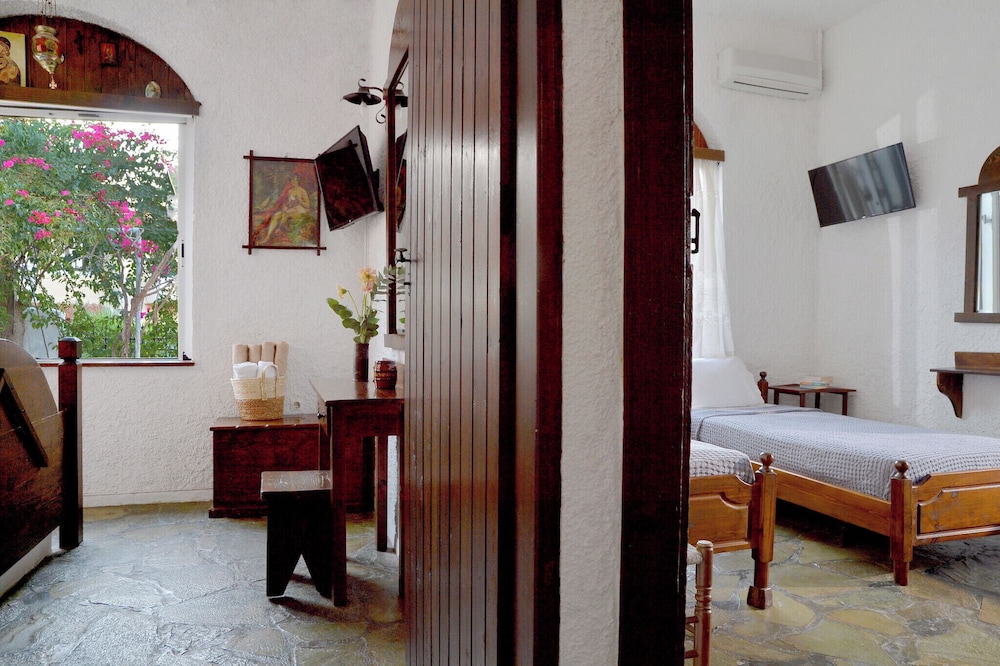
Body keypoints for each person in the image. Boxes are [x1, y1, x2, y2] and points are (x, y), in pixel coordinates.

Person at [257, 174, 311, 244]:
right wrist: (286, 205)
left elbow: (307, 206)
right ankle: (267, 237)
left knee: (285, 214)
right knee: (275, 216)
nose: (293, 182)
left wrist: (299, 201)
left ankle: (280, 228)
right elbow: (290, 203)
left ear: (298, 181)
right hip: (292, 208)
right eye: (292, 180)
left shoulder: (302, 191)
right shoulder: (290, 191)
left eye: (295, 180)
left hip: (300, 209)